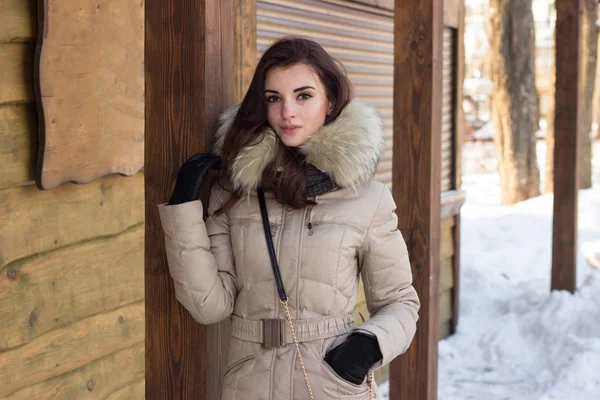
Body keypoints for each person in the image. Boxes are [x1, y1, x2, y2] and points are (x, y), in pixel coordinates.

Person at [158, 37, 419, 400]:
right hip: (249, 382)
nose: (287, 112)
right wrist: (183, 210)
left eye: (303, 95)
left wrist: (365, 348)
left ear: (329, 102)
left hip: (331, 380)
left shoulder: (368, 198)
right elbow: (209, 305)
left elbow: (400, 303)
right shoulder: (235, 192)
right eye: (273, 98)